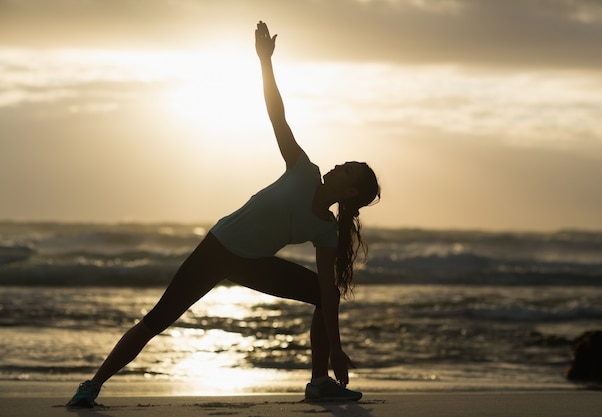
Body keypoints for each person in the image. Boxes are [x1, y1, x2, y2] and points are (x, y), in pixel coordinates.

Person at [67, 21, 380, 407]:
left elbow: (329, 295)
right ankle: (92, 385)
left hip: (252, 263)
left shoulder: (326, 230)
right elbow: (276, 115)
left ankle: (318, 381)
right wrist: (265, 62)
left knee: (323, 291)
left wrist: (336, 348)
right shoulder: (304, 170)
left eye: (345, 170)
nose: (336, 166)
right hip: (218, 249)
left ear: (349, 192)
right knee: (157, 320)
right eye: (342, 163)